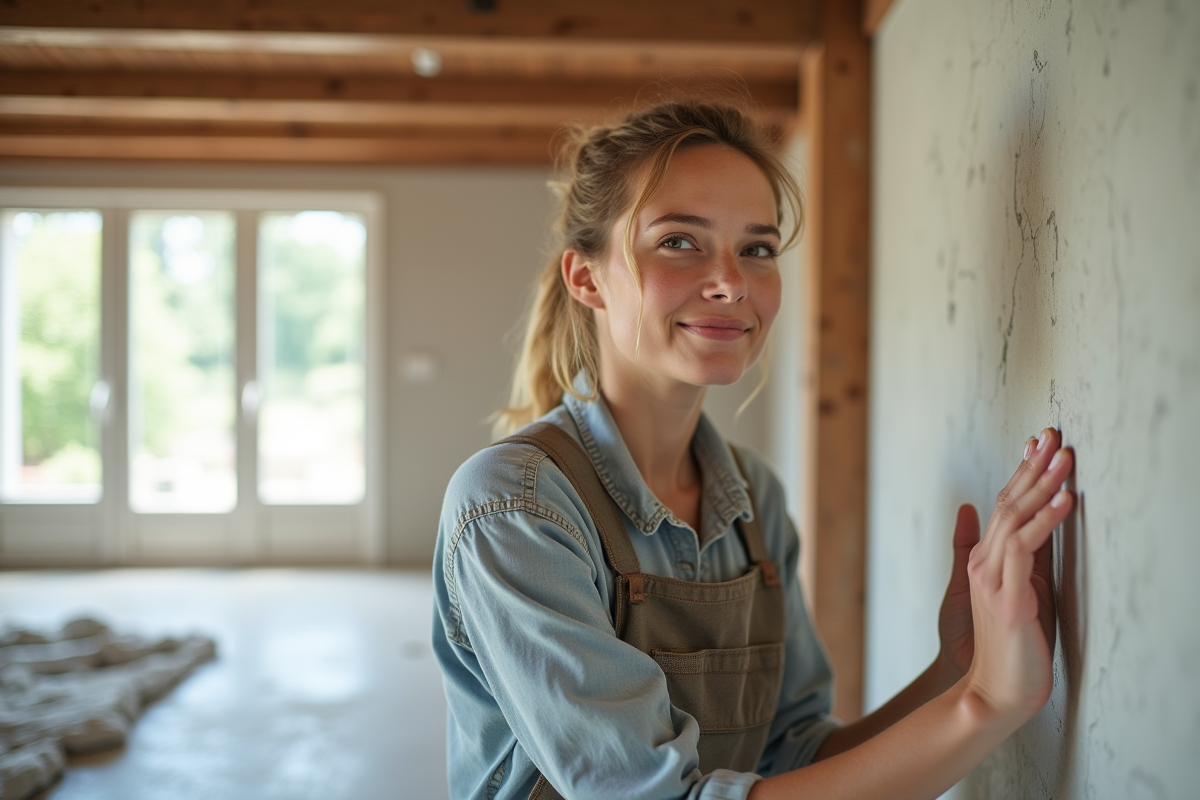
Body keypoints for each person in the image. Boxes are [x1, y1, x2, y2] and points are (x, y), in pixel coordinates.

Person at [431, 100, 1075, 800]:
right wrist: (986, 704)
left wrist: (954, 670)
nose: (731, 282)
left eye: (757, 248)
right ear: (586, 277)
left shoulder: (754, 499)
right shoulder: (513, 506)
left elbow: (793, 759)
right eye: (679, 241)